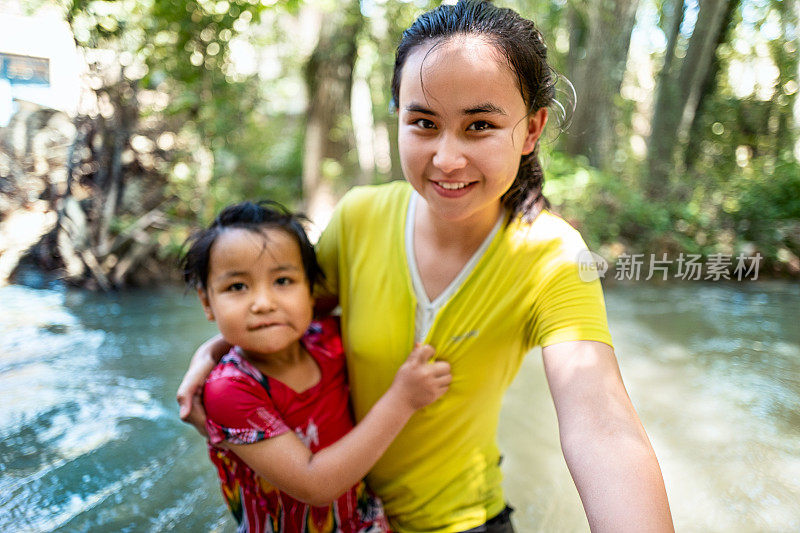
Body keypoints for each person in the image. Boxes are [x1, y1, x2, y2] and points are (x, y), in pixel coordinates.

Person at [178, 1, 674, 531]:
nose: (446, 159)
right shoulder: (361, 217)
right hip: (351, 520)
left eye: (480, 125)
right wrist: (216, 352)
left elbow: (603, 428)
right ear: (398, 117)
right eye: (424, 122)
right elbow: (289, 320)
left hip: (465, 521)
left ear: (531, 130)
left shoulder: (551, 256)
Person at [180, 200, 452, 532]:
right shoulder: (230, 388)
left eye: (282, 281)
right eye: (237, 287)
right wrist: (403, 399)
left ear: (312, 290)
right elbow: (315, 485)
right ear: (207, 302)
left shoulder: (329, 339)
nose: (264, 303)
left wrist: (209, 350)